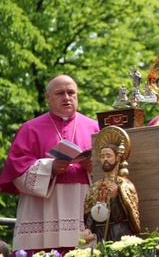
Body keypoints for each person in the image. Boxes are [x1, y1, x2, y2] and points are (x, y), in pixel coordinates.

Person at [0, 75, 100, 255]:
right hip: (43, 209)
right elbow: (16, 169)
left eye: (71, 93)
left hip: (82, 204)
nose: (67, 97)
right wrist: (50, 168)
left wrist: (94, 168)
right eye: (60, 93)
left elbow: (111, 172)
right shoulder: (30, 128)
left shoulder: (95, 128)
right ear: (47, 97)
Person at [81, 144, 140, 243]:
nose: (105, 159)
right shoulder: (96, 186)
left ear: (117, 158)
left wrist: (114, 197)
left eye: (108, 156)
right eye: (103, 157)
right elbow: (93, 210)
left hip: (118, 231)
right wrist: (88, 228)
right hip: (99, 232)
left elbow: (120, 217)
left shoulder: (124, 184)